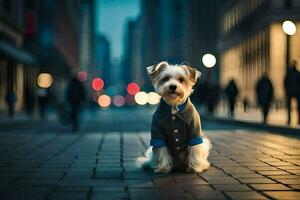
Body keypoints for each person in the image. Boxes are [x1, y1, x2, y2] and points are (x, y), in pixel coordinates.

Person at [284, 60, 300, 125]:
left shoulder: (291, 74)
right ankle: (290, 119)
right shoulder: (293, 74)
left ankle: (295, 119)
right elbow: (285, 83)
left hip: (295, 92)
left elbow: (285, 83)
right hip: (293, 92)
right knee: (292, 107)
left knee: (297, 107)